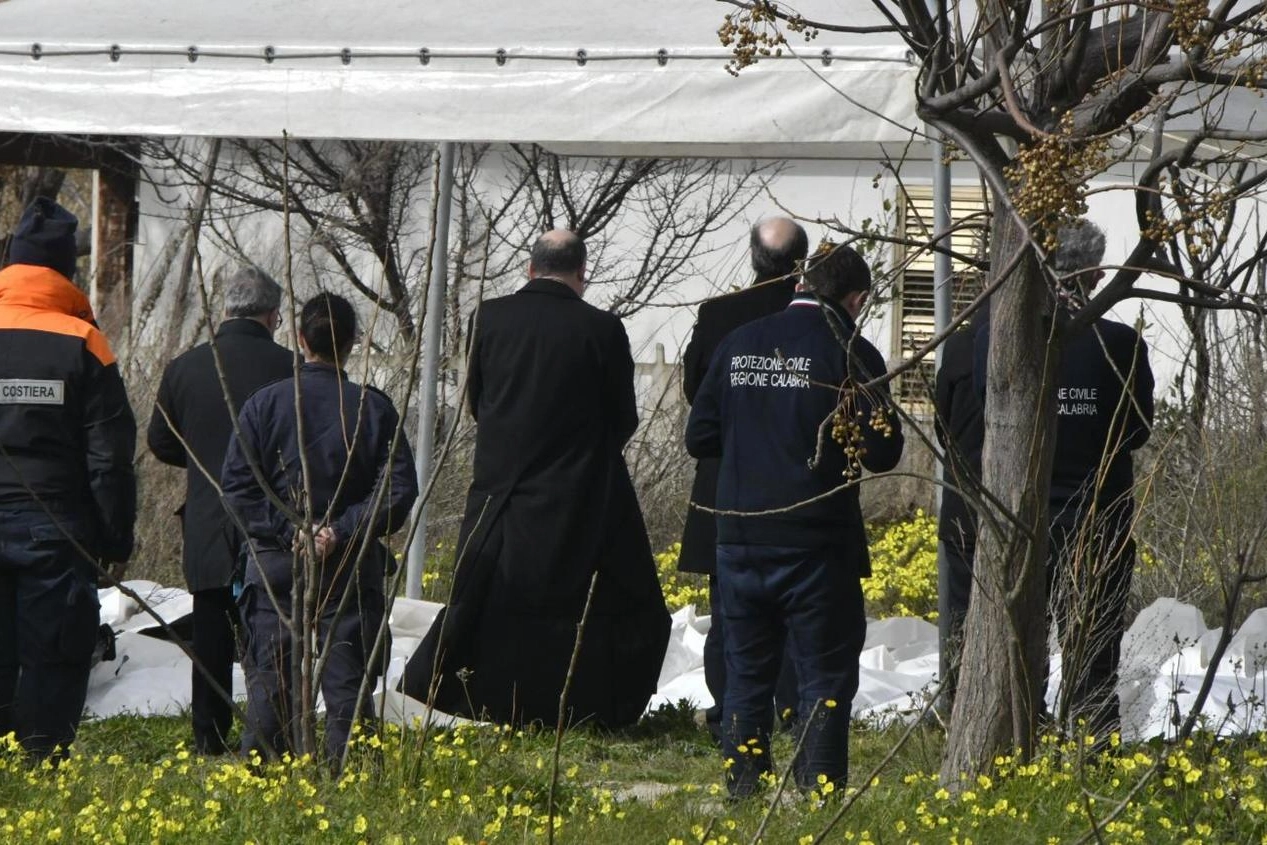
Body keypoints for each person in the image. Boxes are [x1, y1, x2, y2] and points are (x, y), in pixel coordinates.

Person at [405, 230, 670, 728]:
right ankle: (583, 704)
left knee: (486, 597)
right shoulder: (602, 328)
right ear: (581, 274)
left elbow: (478, 402)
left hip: (500, 490)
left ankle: (468, 692)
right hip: (578, 494)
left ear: (530, 268)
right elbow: (623, 417)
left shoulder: (491, 317)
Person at [686, 242, 904, 797]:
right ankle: (819, 795)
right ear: (856, 299)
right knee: (825, 675)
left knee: (747, 675)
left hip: (740, 538)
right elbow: (883, 452)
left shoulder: (740, 342)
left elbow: (700, 436)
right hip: (816, 542)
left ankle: (742, 792)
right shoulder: (849, 349)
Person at [221, 292, 417, 764]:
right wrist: (340, 532)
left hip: (275, 568)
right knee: (348, 692)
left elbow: (237, 488)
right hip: (347, 571)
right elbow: (398, 491)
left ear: (299, 339)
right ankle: (347, 792)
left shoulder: (263, 406)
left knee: (272, 690)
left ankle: (265, 789)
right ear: (352, 343)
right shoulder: (373, 409)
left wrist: (291, 531)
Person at [974, 220, 1153, 737]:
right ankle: (1093, 747)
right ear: (1096, 275)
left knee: (1023, 641)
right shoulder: (1119, 343)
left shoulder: (1001, 334)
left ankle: (1022, 738)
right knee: (1094, 645)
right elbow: (1136, 430)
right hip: (1099, 517)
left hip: (1023, 519)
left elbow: (985, 418)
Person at [0, 197, 136, 759]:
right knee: (55, 654)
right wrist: (112, 543)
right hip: (55, 531)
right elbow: (109, 457)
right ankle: (40, 764)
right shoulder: (84, 343)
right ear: (65, 271)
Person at [147, 266, 295, 755]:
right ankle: (272, 733)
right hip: (274, 522)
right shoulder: (290, 369)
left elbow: (160, 442)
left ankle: (208, 736)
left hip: (209, 518)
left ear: (225, 309)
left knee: (210, 630)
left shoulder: (185, 368)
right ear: (273, 315)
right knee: (272, 632)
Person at [680, 217, 808, 740]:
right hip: (799, 480)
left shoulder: (718, 315)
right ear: (802, 261)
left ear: (753, 257)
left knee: (729, 609)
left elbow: (695, 395)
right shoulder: (815, 322)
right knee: (800, 610)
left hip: (727, 482)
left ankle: (729, 711)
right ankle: (794, 709)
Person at [932, 309, 985, 707]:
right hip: (1018, 509)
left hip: (962, 501)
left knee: (963, 608)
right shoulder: (1041, 339)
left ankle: (960, 696)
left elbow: (942, 424)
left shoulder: (960, 346)